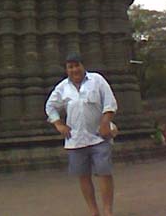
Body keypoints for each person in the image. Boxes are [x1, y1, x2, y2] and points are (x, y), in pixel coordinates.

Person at [45, 52, 118, 216]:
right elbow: (50, 106)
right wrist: (58, 125)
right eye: (70, 67)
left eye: (77, 65)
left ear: (83, 66)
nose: (74, 69)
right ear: (66, 69)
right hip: (76, 140)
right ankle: (93, 211)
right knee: (83, 176)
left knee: (104, 173)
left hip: (99, 137)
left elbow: (110, 103)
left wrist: (105, 123)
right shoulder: (62, 87)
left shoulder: (96, 80)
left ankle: (107, 211)